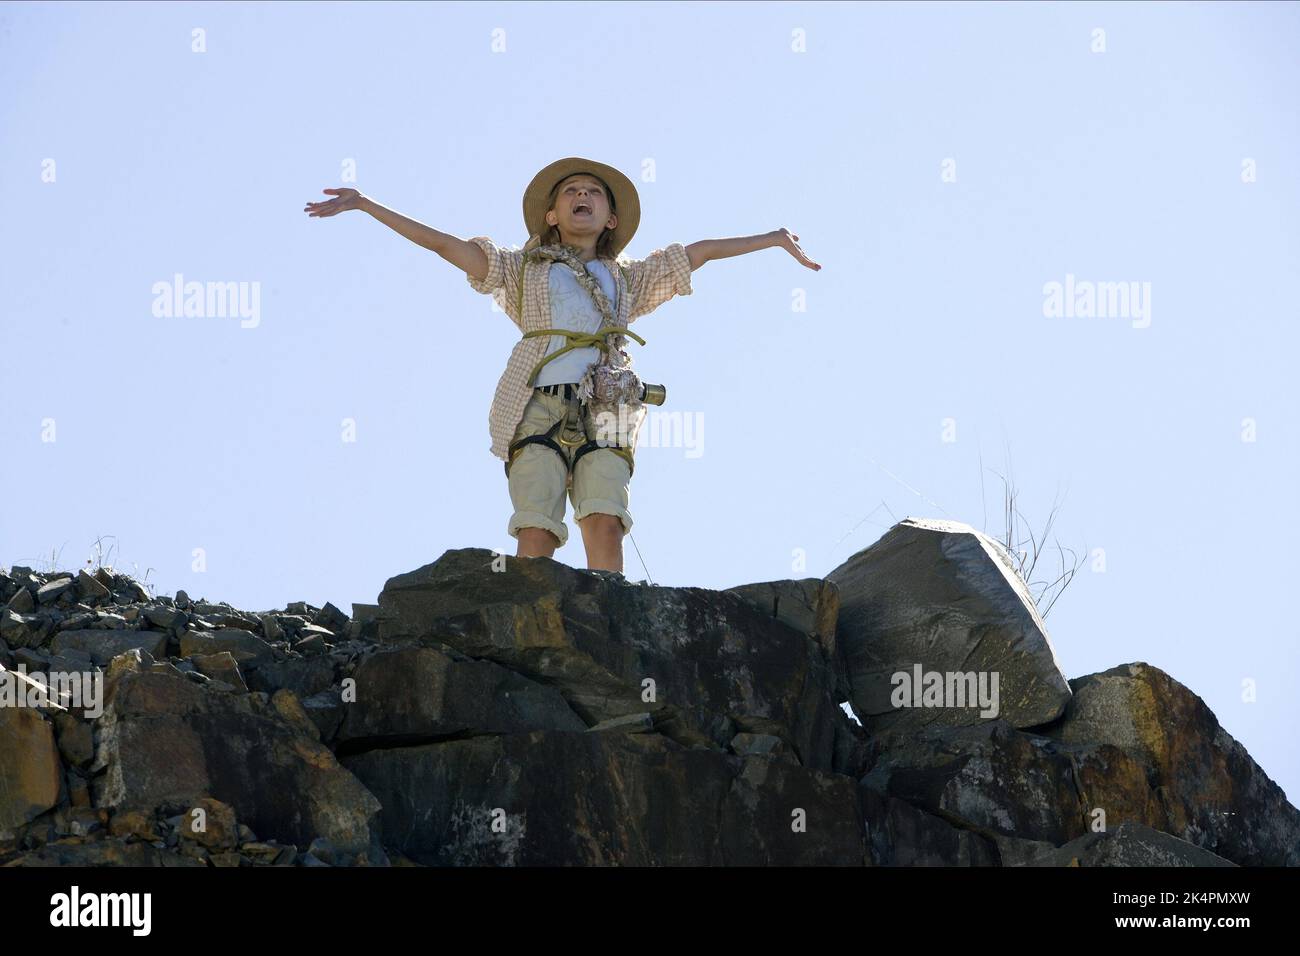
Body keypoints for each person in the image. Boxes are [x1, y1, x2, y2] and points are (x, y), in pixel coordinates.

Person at [304, 157, 820, 574]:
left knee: (605, 519)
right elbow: (446, 245)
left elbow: (699, 252)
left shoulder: (629, 279)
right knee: (536, 525)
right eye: (571, 191)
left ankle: (607, 619)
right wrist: (368, 205)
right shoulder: (520, 269)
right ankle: (533, 623)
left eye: (594, 193)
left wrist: (771, 238)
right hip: (536, 405)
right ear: (551, 214)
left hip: (609, 404)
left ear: (610, 219)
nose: (582, 197)